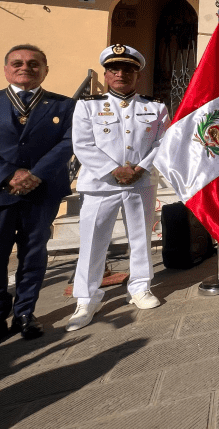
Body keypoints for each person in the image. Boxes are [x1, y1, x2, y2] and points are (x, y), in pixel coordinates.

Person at [0, 45, 76, 355]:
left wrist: (36, 174)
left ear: (45, 70)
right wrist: (9, 175)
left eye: (35, 64)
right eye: (17, 63)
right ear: (6, 69)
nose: (26, 67)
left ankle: (25, 312)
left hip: (41, 191)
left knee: (34, 255)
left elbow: (68, 143)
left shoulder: (63, 106)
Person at [66, 46, 169, 331]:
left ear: (137, 74)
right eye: (114, 69)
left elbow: (162, 142)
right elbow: (82, 144)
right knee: (93, 241)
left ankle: (140, 287)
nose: (121, 74)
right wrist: (114, 169)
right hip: (101, 183)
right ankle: (86, 298)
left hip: (141, 181)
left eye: (128, 69)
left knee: (140, 236)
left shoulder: (155, 107)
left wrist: (140, 168)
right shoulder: (88, 106)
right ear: (106, 74)